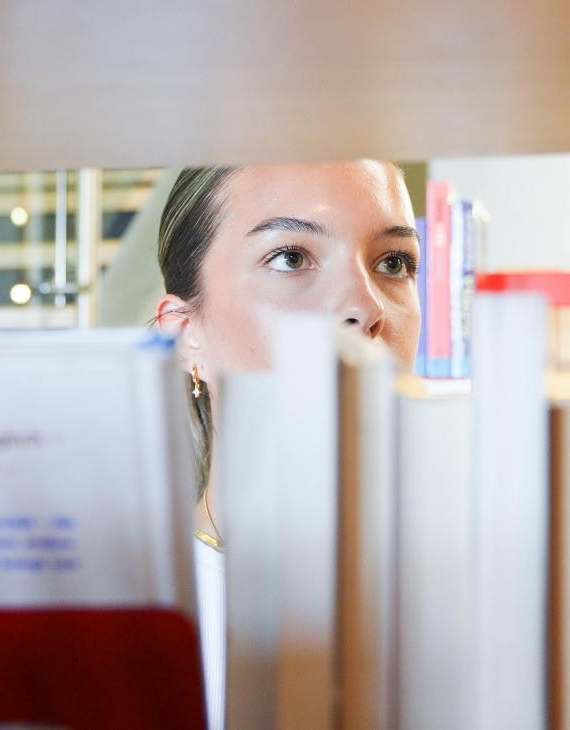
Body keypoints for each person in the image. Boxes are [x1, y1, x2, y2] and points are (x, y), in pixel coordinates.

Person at [154, 160, 422, 728]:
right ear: (183, 333)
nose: (367, 308)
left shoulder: (480, 596)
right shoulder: (137, 623)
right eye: (291, 258)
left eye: (393, 263)